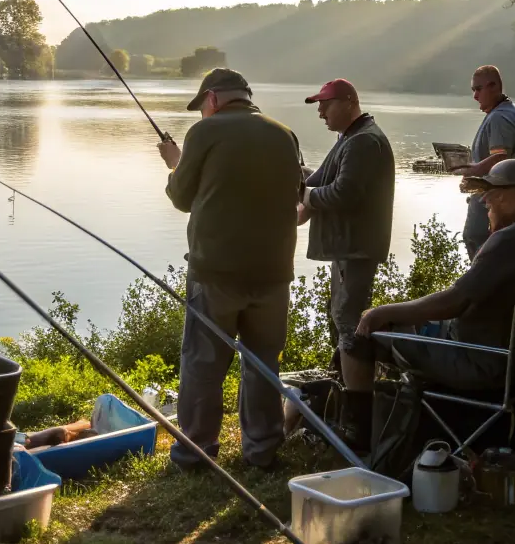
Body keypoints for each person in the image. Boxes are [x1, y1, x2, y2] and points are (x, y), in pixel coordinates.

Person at [157, 68, 302, 471]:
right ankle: (263, 450)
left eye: (202, 105)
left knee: (203, 365)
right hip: (274, 274)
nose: (202, 113)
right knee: (262, 363)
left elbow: (181, 197)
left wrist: (174, 163)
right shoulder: (284, 135)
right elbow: (295, 194)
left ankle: (196, 453)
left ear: (214, 98)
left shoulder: (205, 133)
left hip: (216, 272)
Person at [353, 159, 515, 350]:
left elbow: (455, 301)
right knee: (409, 321)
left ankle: (358, 399)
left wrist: (380, 312)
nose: (484, 199)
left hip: (483, 359)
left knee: (359, 343)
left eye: (494, 192)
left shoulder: (511, 239)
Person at [296, 78, 394, 450]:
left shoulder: (365, 141)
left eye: (326, 104)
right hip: (347, 249)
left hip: (356, 250)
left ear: (350, 101)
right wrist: (294, 180)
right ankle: (347, 411)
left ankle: (358, 430)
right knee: (342, 319)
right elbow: (319, 180)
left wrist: (305, 195)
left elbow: (344, 192)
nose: (320, 111)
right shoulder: (349, 138)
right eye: (318, 105)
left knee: (351, 327)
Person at [455, 65, 515, 257]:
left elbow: (501, 158)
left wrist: (474, 170)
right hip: (494, 202)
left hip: (494, 205)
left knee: (482, 249)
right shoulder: (503, 111)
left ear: (494, 86)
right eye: (473, 90)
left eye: (478, 89)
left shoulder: (500, 117)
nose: (475, 96)